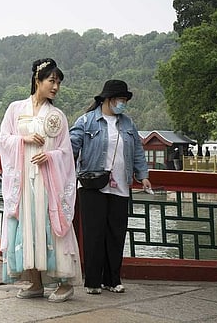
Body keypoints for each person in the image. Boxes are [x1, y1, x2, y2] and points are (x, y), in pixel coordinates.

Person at [0, 58, 82, 303]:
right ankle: (35, 282)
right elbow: (4, 139)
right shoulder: (16, 109)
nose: (56, 87)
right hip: (23, 181)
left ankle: (65, 283)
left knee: (50, 225)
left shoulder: (56, 116)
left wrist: (51, 156)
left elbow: (66, 152)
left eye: (58, 83)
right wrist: (22, 140)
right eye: (51, 81)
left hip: (48, 182)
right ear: (38, 80)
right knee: (27, 227)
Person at [70, 79, 151, 295]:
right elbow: (71, 146)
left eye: (125, 100)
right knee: (94, 233)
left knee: (116, 233)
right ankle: (93, 281)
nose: (123, 104)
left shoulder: (128, 124)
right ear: (107, 99)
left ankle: (113, 279)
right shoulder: (87, 121)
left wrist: (142, 175)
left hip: (121, 186)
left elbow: (137, 152)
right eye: (120, 100)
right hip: (92, 186)